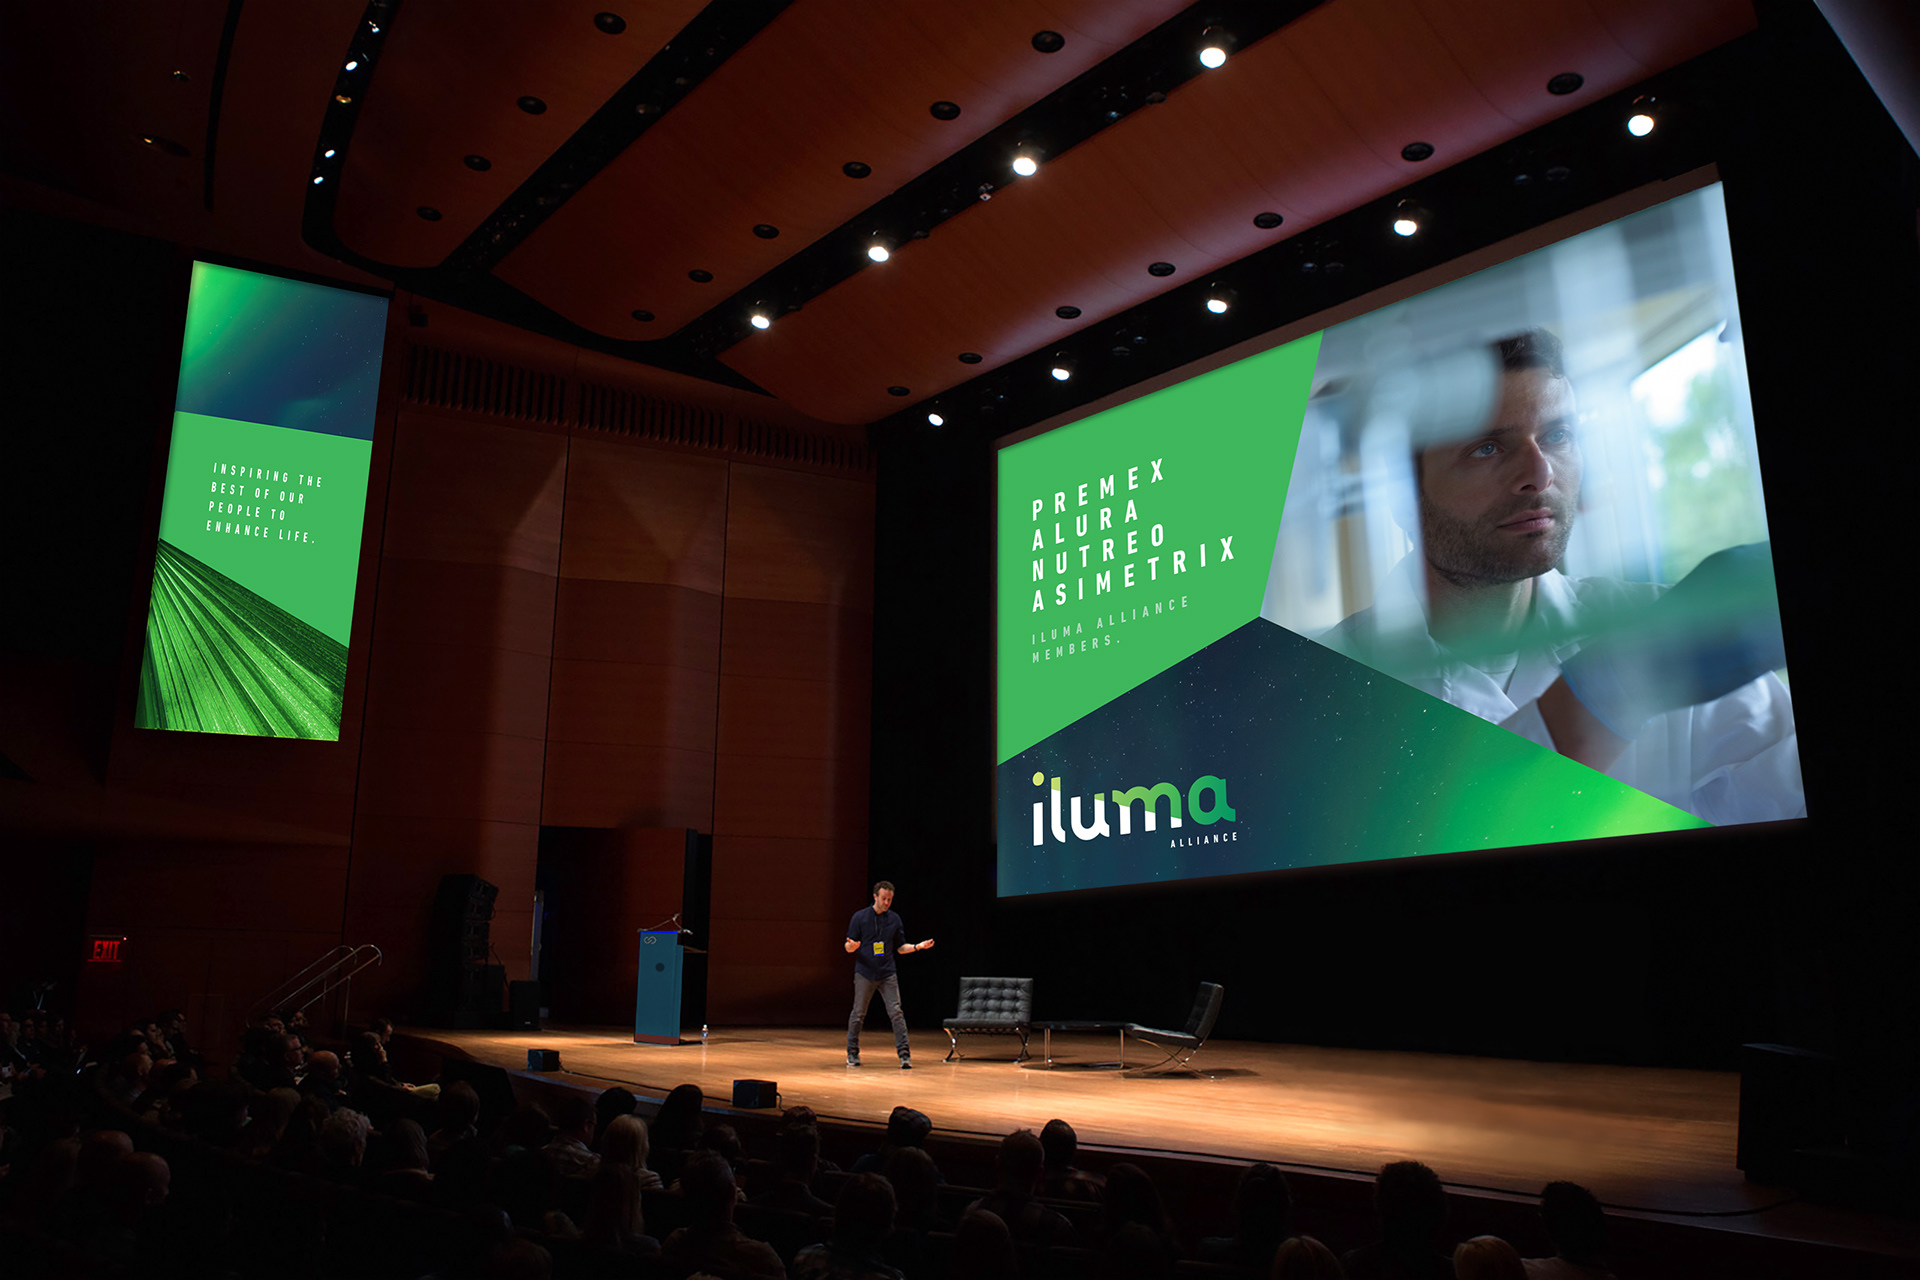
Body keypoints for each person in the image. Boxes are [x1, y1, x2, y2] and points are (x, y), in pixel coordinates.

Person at [1318, 328, 1801, 826]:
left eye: (1557, 435)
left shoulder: (1662, 632)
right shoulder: (1317, 686)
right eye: (1486, 448)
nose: (1540, 473)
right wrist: (1596, 706)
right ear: (1403, 495)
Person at [844, 880, 933, 1068]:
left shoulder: (894, 919)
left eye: (890, 900)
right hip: (865, 973)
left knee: (896, 1013)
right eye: (884, 899)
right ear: (875, 897)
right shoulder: (859, 918)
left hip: (887, 973)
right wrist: (852, 947)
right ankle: (852, 1053)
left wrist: (918, 947)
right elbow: (847, 946)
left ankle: (904, 1055)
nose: (886, 903)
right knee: (858, 1014)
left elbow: (900, 948)